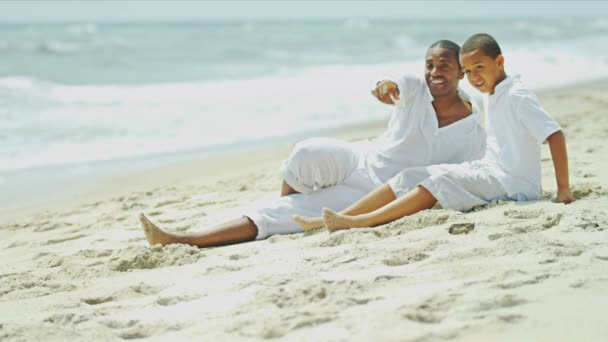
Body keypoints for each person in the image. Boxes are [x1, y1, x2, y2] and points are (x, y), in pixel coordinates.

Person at [140, 40, 487, 247]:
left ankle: (182, 239)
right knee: (307, 152)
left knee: (280, 216)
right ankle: (295, 203)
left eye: (444, 65)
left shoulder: (475, 123)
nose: (434, 71)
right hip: (362, 159)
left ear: (461, 72)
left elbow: (467, 173)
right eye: (429, 64)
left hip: (380, 192)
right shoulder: (414, 86)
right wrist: (384, 87)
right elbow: (389, 82)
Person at [293, 33, 574, 232]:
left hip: (512, 184)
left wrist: (563, 190)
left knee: (437, 181)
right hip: (491, 170)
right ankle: (332, 219)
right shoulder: (493, 94)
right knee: (412, 175)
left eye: (480, 67)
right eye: (469, 70)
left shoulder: (517, 95)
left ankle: (359, 222)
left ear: (499, 62)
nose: (475, 76)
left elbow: (554, 135)